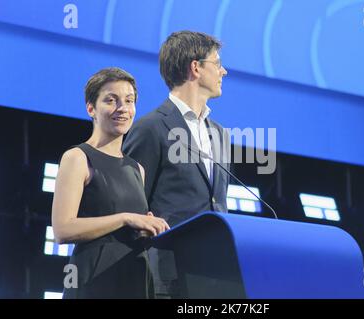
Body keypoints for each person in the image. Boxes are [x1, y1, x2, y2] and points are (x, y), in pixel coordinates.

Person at [123, 30, 230, 298]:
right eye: (217, 63)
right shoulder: (151, 128)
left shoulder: (219, 133)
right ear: (195, 68)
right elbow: (130, 208)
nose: (224, 71)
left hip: (217, 278)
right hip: (169, 280)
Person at [51, 67, 170, 299]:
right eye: (111, 100)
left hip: (135, 277)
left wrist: (144, 229)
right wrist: (126, 218)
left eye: (129, 100)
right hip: (94, 280)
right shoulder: (77, 157)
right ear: (91, 108)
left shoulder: (137, 169)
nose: (122, 108)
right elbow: (62, 229)